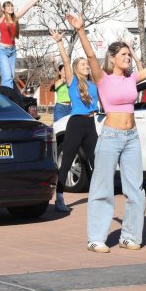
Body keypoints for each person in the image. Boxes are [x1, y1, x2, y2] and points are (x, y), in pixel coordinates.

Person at [66, 13, 146, 253]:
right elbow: (90, 56)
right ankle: (96, 238)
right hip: (110, 136)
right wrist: (81, 30)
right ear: (113, 58)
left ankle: (129, 235)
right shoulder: (102, 78)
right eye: (124, 55)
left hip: (131, 138)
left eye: (129, 54)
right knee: (102, 187)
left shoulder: (132, 79)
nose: (128, 57)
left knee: (135, 190)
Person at [49, 29, 99, 213]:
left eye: (87, 64)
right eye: (83, 64)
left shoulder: (93, 84)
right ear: (77, 68)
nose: (87, 65)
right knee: (68, 160)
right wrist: (60, 43)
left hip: (91, 124)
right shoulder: (71, 82)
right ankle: (59, 197)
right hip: (76, 123)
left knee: (96, 160)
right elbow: (65, 62)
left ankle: (97, 196)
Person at [0, 0, 46, 88]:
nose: (11, 8)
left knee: (11, 76)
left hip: (12, 51)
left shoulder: (15, 18)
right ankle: (7, 100)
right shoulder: (1, 18)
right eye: (8, 6)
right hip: (2, 51)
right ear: (4, 9)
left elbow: (27, 7)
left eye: (12, 6)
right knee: (7, 77)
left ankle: (4, 95)